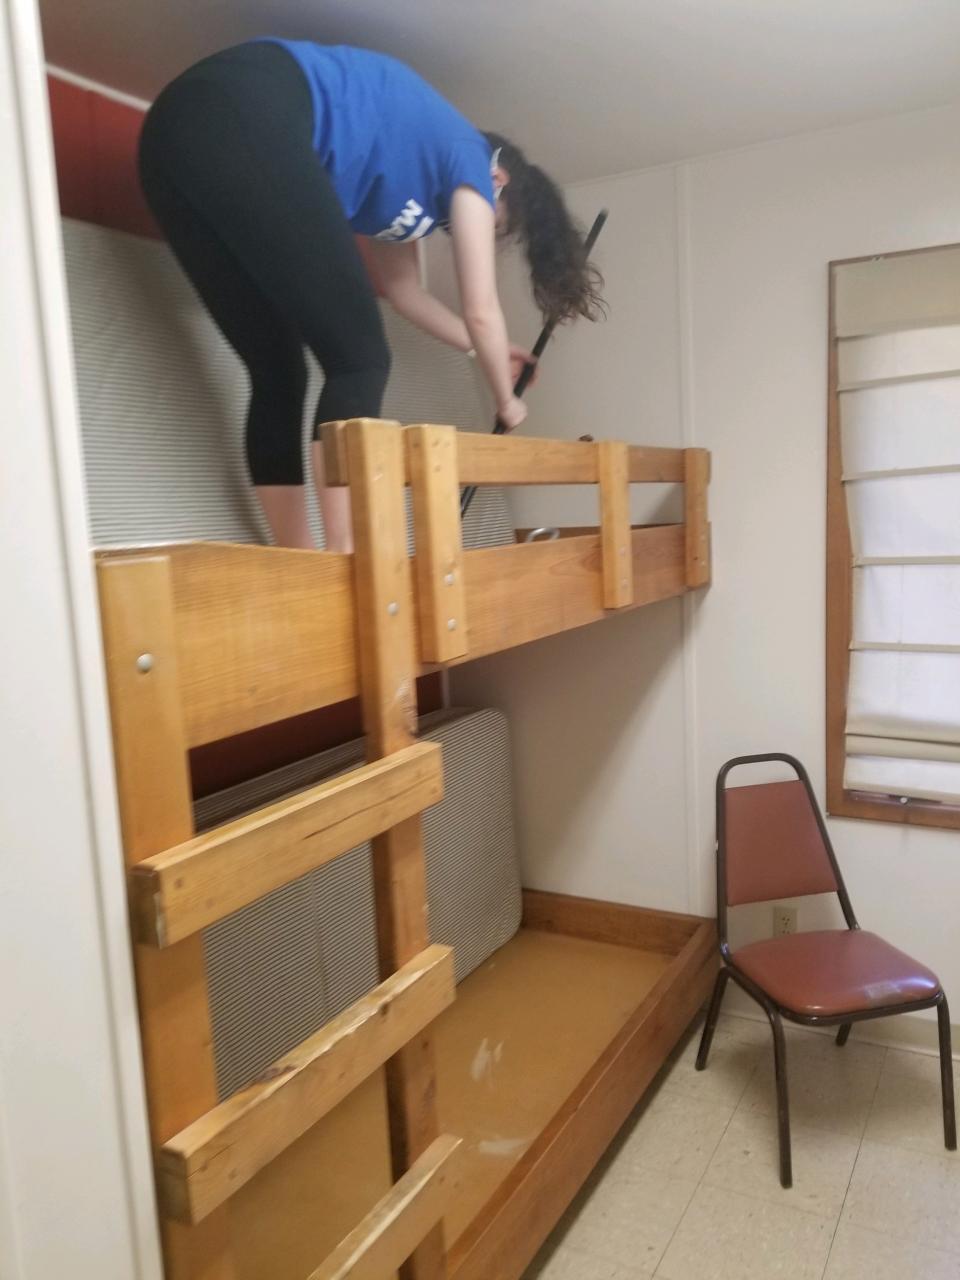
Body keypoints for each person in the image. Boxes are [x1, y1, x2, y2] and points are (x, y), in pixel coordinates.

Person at [138, 39, 604, 550]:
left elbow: (406, 294)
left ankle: (298, 559)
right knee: (360, 360)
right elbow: (481, 308)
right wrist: (506, 401)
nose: (472, 231)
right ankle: (345, 558)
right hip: (247, 101)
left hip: (170, 141)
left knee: (278, 370)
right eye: (496, 225)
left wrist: (484, 351)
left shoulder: (409, 189)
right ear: (498, 181)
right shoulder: (469, 158)